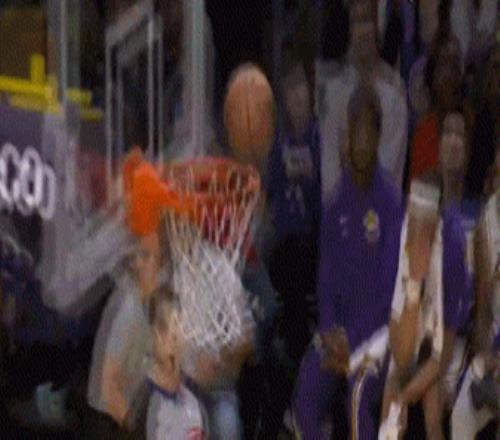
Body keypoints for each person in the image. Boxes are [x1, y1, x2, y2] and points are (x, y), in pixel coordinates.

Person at [293, 84, 403, 439]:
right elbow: (325, 283)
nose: (361, 141)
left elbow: (389, 294)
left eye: (369, 131)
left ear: (379, 137)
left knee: (357, 394)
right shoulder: (334, 203)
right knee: (305, 395)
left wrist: (353, 338)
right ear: (347, 134)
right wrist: (330, 331)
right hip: (337, 337)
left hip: (378, 339)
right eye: (356, 130)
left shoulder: (391, 204)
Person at [320, 0, 407, 202]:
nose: (362, 30)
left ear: (377, 28)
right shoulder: (333, 93)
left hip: (381, 208)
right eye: (356, 22)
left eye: (367, 21)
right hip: (340, 208)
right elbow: (329, 165)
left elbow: (390, 167)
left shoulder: (394, 95)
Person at [380, 177, 444, 439]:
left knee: (433, 416)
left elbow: (439, 357)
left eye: (426, 232)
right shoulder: (401, 242)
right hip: (410, 343)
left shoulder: (448, 254)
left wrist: (407, 395)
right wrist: (414, 286)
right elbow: (402, 354)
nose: (418, 241)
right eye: (414, 227)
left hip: (444, 353)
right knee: (391, 399)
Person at [85, 231, 163, 439]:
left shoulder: (165, 301)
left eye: (146, 256)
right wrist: (139, 431)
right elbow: (108, 387)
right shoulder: (128, 309)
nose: (139, 264)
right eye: (135, 258)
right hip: (115, 421)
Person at [450, 189, 499, 439]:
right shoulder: (489, 215)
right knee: (461, 418)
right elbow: (483, 308)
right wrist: (485, 352)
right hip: (494, 344)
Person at [145, 284, 208, 440]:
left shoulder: (192, 395)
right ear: (160, 335)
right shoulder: (151, 404)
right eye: (178, 325)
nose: (185, 335)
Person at [408, 30, 465, 183]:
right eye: (443, 66)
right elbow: (418, 191)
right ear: (432, 78)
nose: (449, 76)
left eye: (454, 66)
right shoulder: (423, 134)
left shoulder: (475, 125)